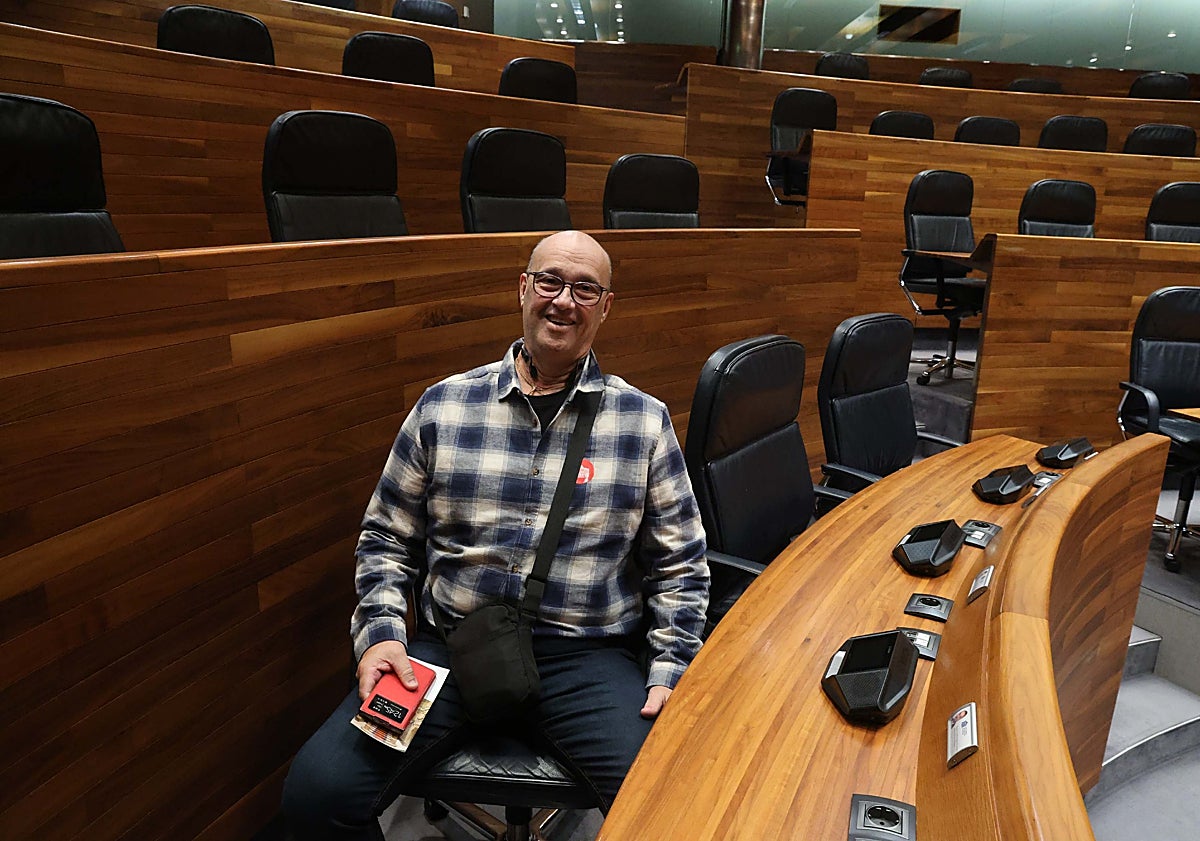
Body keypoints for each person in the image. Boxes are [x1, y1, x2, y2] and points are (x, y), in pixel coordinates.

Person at [282, 230, 709, 840]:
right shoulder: (443, 406)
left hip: (585, 658)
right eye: (550, 281)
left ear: (606, 307)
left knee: (678, 803)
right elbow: (385, 538)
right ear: (523, 289)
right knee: (315, 792)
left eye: (585, 288)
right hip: (453, 649)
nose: (564, 300)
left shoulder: (642, 420)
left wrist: (670, 667)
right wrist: (380, 636)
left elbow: (681, 565)